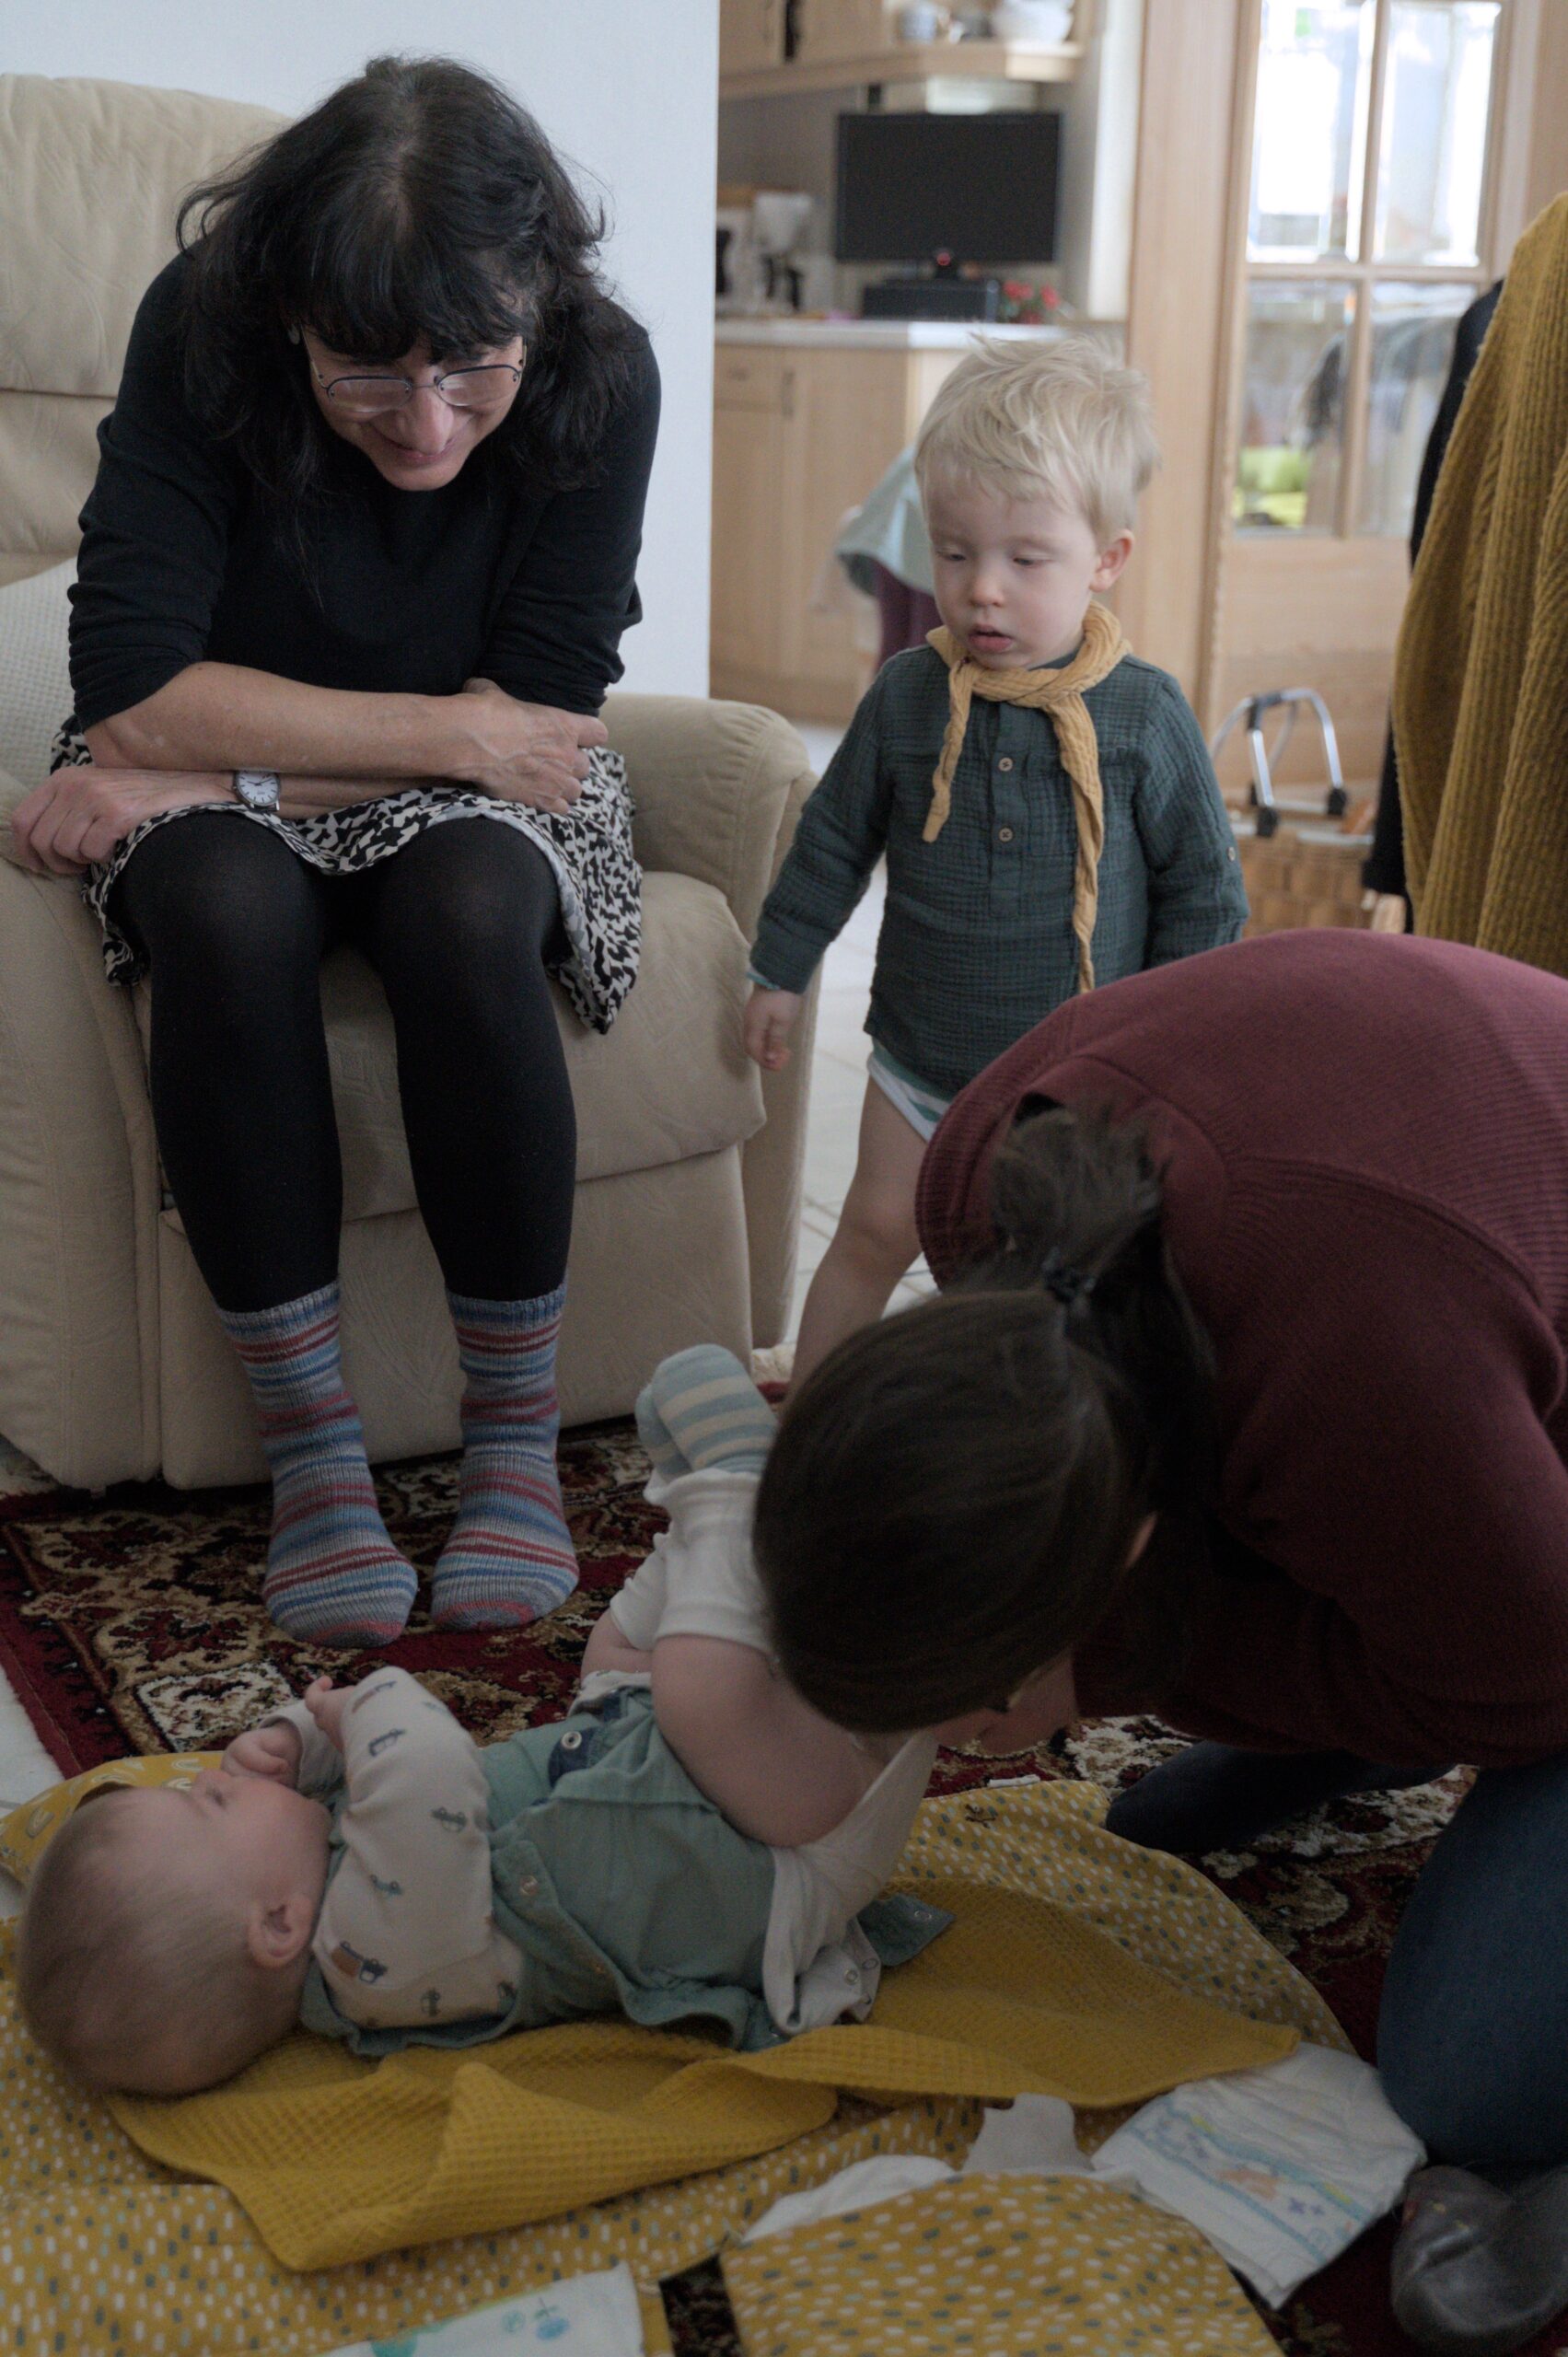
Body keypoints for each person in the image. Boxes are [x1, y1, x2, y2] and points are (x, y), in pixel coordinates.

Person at [749, 926, 1568, 2356]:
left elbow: (1528, 1688)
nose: (950, 1755)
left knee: (1468, 2079)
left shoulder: (1353, 1370)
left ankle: (1399, 1651)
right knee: (1340, 1656)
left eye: (966, 1720)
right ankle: (1386, 1651)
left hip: (1519, 1575)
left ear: (1120, 1561)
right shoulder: (981, 1194)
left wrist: (1142, 1667)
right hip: (1426, 1370)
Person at [6, 57, 661, 1649]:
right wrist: (387, 747)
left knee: (464, 902)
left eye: (470, 367)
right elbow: (132, 691)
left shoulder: (602, 368)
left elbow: (537, 722)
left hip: (444, 794)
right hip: (277, 791)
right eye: (366, 371)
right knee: (222, 905)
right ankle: (315, 1460)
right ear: (291, 314)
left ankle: (511, 1444)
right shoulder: (201, 329)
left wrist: (196, 768)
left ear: (536, 297)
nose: (425, 423)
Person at [14, 1349, 947, 2097]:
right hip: (777, 1853)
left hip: (666, 1778)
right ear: (279, 1924)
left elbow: (366, 1796)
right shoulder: (371, 1957)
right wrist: (345, 1708)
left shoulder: (333, 1887)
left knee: (615, 1660)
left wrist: (297, 1744)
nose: (217, 1774)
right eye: (212, 1805)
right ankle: (736, 1510)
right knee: (701, 1696)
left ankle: (705, 1533)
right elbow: (425, 1766)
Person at [742, 338, 1248, 1385]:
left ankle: (1025, 1447)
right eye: (953, 553)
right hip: (917, 1062)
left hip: (1076, 1083)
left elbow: (1204, 896)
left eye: (1025, 560)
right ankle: (807, 1432)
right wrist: (779, 969)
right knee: (870, 1236)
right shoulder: (906, 696)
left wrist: (1170, 1050)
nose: (981, 591)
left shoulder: (1143, 715)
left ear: (1105, 558)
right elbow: (830, 841)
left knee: (1046, 1281)